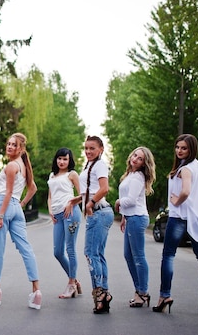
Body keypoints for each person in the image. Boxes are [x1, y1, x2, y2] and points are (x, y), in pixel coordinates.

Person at [154, 134, 198, 316]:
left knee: (169, 256)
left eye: (184, 148)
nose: (179, 151)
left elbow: (186, 191)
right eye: (177, 147)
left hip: (179, 217)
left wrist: (176, 201)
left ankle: (164, 296)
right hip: (197, 217)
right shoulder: (196, 166)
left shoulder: (185, 169)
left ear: (191, 149)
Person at [0, 133, 41, 310]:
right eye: (8, 143)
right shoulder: (24, 166)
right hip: (16, 209)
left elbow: (8, 192)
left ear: (21, 148)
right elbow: (32, 188)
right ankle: (36, 291)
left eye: (14, 145)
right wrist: (22, 204)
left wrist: (1, 215)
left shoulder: (12, 165)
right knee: (26, 248)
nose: (10, 147)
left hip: (3, 204)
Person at [114, 147, 156, 308]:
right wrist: (124, 216)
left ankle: (142, 292)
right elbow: (131, 200)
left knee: (138, 257)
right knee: (129, 256)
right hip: (131, 217)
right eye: (135, 155)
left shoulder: (138, 177)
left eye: (140, 158)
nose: (135, 159)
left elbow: (131, 200)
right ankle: (140, 290)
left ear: (144, 163)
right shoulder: (130, 175)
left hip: (137, 218)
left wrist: (118, 203)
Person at [80, 135, 114, 314]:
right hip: (100, 211)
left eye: (92, 148)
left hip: (99, 212)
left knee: (91, 253)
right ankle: (103, 294)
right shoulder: (89, 165)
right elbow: (90, 189)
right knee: (97, 254)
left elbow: (104, 188)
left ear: (101, 149)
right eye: (86, 148)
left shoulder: (99, 164)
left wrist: (90, 203)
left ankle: (100, 293)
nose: (88, 151)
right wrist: (76, 200)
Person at [47, 147, 83, 299]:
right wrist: (50, 210)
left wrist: (71, 203)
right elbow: (50, 196)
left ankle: (71, 284)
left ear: (70, 161)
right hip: (57, 216)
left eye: (65, 159)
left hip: (71, 214)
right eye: (59, 158)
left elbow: (83, 195)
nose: (61, 162)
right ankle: (74, 280)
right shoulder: (52, 175)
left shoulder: (72, 174)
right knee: (57, 252)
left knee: (70, 249)